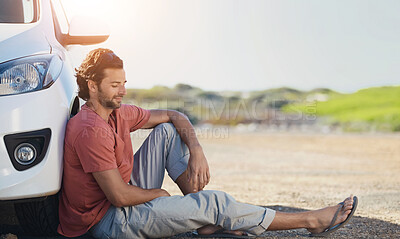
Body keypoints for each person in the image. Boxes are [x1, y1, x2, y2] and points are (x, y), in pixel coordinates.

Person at [57, 48, 358, 239]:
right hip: (105, 222)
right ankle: (311, 220)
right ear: (93, 86)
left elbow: (174, 115)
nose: (123, 91)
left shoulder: (117, 112)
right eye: (115, 85)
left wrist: (197, 152)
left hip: (117, 199)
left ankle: (204, 220)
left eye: (124, 82)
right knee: (215, 203)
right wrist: (158, 193)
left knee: (167, 131)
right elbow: (120, 197)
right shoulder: (89, 129)